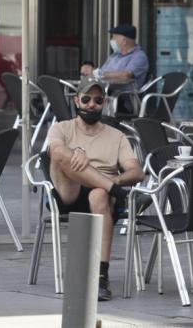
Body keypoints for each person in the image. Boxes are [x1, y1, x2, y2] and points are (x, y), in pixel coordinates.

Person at [47, 76, 143, 301]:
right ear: (77, 101)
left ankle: (101, 276)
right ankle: (108, 187)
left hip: (103, 196)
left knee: (99, 194)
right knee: (60, 153)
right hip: (69, 190)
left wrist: (114, 182)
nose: (92, 104)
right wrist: (77, 152)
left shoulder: (116, 136)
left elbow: (136, 172)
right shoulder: (61, 128)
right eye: (87, 99)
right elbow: (57, 151)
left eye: (98, 100)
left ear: (104, 102)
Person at [82, 25, 149, 88]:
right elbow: (101, 73)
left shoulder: (139, 56)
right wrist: (90, 72)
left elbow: (126, 75)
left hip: (123, 97)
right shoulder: (114, 56)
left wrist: (98, 73)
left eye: (114, 38)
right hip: (105, 93)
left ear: (124, 41)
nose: (112, 41)